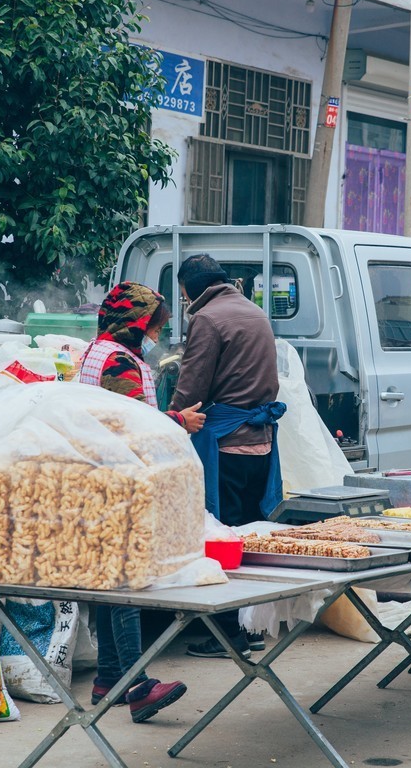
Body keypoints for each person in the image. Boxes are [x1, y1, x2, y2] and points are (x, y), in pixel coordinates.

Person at [77, 281, 204, 722]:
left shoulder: (96, 351)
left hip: (103, 476)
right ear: (134, 323)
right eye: (154, 327)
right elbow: (131, 423)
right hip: (120, 479)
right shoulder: (117, 360)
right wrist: (179, 420)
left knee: (113, 581)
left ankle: (109, 677)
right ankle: (136, 684)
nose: (156, 335)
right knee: (127, 581)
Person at [172, 254, 285, 659]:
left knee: (221, 540)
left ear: (190, 288)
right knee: (245, 537)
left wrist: (171, 419)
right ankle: (249, 627)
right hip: (260, 441)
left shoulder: (206, 318)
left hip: (225, 444)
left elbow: (193, 385)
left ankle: (229, 635)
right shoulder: (253, 310)